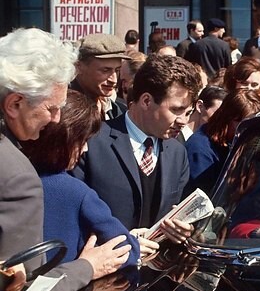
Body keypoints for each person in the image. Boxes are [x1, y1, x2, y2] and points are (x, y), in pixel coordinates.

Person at [0, 28, 133, 291]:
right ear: (14, 104)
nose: (56, 119)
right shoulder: (16, 175)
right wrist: (86, 267)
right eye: (51, 108)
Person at [72, 54, 201, 240]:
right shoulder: (91, 143)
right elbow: (73, 217)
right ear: (146, 101)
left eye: (188, 112)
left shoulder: (177, 151)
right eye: (176, 110)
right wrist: (122, 243)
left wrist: (184, 229)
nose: (183, 121)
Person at [21, 91, 142, 263]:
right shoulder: (76, 192)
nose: (85, 149)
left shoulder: (16, 174)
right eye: (82, 141)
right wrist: (133, 242)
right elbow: (125, 250)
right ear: (65, 139)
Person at [185, 89, 260, 194]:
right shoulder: (200, 149)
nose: (250, 131)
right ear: (227, 119)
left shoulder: (236, 143)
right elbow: (205, 198)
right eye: (244, 125)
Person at [71, 33, 131, 120]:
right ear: (79, 67)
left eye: (117, 70)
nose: (113, 80)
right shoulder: (62, 111)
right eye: (105, 70)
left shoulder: (119, 110)